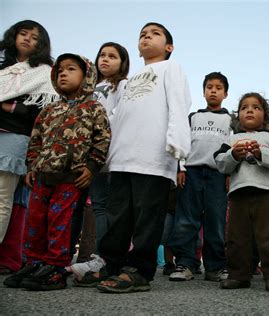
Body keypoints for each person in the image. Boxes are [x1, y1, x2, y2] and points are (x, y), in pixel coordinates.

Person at [86, 22, 191, 293]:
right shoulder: (128, 81)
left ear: (169, 47)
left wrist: (178, 146)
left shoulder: (171, 68)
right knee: (118, 214)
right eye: (143, 34)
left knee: (147, 216)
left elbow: (180, 104)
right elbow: (116, 116)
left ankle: (139, 270)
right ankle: (111, 263)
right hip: (123, 157)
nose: (147, 36)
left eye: (154, 33)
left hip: (154, 156)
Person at [3, 53, 111, 290]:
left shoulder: (94, 108)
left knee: (58, 220)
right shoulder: (49, 110)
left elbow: (102, 140)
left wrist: (92, 167)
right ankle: (33, 262)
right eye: (60, 70)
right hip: (42, 176)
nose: (63, 73)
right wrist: (31, 166)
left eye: (71, 69)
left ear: (87, 77)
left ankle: (55, 268)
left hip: (70, 178)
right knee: (35, 220)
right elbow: (36, 140)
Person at [214, 92, 269, 293]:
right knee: (237, 236)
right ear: (238, 115)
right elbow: (220, 163)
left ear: (265, 116)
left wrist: (260, 153)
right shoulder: (232, 140)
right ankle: (238, 275)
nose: (249, 110)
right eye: (245, 107)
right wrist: (233, 155)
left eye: (256, 107)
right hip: (238, 194)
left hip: (267, 194)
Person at [68, 42, 130, 284]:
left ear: (122, 62)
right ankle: (60, 256)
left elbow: (120, 115)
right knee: (73, 206)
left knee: (101, 205)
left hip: (104, 153)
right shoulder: (89, 88)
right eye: (102, 55)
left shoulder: (123, 86)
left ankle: (102, 257)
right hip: (80, 154)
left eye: (112, 56)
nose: (105, 60)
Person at [0, 20, 58, 274]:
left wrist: (9, 106)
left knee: (2, 198)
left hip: (14, 136)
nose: (27, 39)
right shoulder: (3, 69)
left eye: (34, 37)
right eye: (23, 33)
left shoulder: (44, 72)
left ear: (41, 45)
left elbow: (40, 111)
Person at [168, 72, 232, 282]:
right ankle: (186, 263)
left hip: (218, 175)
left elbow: (233, 150)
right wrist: (180, 168)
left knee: (216, 221)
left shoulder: (231, 120)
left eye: (218, 88)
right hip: (192, 173)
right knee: (186, 220)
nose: (213, 91)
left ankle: (215, 267)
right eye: (209, 87)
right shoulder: (193, 117)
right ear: (203, 91)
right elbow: (182, 143)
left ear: (225, 93)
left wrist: (230, 174)